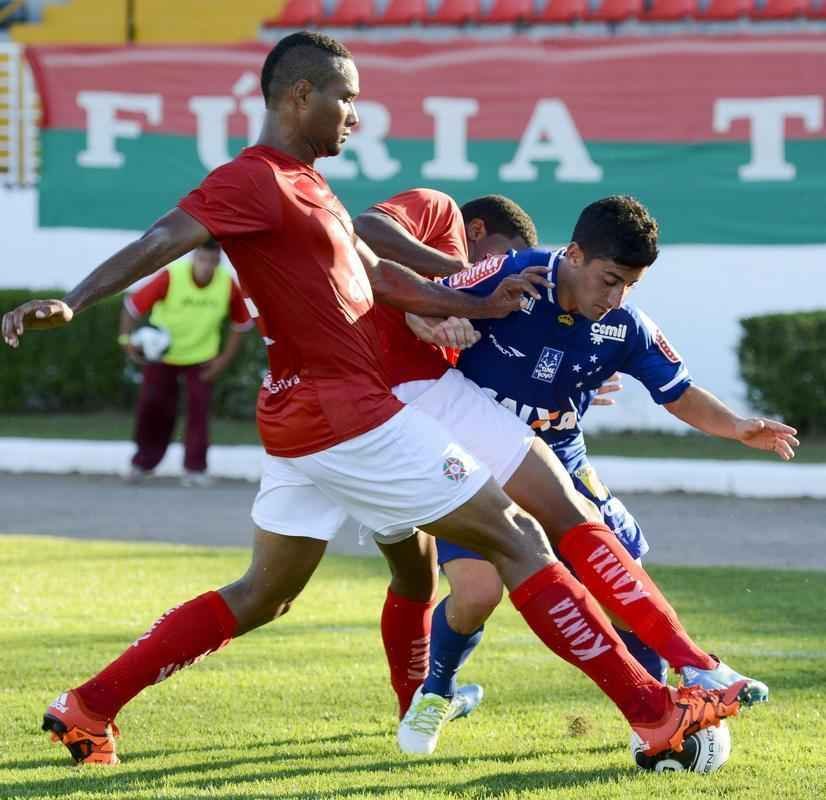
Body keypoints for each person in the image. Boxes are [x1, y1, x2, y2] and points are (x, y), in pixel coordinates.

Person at [2, 32, 745, 768]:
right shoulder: (255, 178)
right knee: (519, 537)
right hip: (346, 414)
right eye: (346, 98)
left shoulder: (312, 188)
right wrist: (75, 300)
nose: (355, 115)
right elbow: (171, 231)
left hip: (303, 417)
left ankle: (88, 707)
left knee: (265, 593)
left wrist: (474, 307)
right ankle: (654, 715)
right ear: (300, 95)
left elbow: (383, 283)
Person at [352, 190, 795, 755]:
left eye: (630, 284)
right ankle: (438, 690)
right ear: (576, 255)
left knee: (623, 584)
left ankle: (659, 713)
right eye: (610, 279)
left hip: (561, 462)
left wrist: (735, 427)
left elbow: (677, 392)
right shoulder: (510, 274)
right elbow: (419, 301)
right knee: (477, 591)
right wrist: (432, 323)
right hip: (473, 464)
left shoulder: (626, 325)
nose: (617, 296)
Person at [119, 238, 253, 485]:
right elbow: (132, 306)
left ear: (219, 261)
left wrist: (222, 360)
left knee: (198, 412)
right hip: (162, 355)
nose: (206, 266)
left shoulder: (226, 284)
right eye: (202, 259)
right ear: (193, 257)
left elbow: (242, 324)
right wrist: (126, 339)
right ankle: (142, 463)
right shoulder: (171, 276)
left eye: (212, 261)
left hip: (201, 358)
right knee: (153, 407)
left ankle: (195, 469)